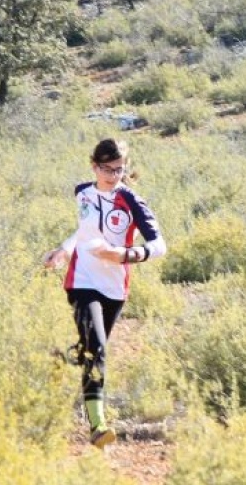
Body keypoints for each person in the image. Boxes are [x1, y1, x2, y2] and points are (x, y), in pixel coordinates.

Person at [42, 138, 168, 448]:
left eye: (118, 169)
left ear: (125, 168)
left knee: (88, 349)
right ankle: (98, 426)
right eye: (105, 168)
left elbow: (159, 246)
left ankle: (62, 358)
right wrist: (64, 250)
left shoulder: (132, 201)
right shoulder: (83, 192)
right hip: (81, 281)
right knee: (97, 347)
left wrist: (124, 255)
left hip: (115, 287)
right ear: (93, 165)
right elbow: (84, 230)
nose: (112, 175)